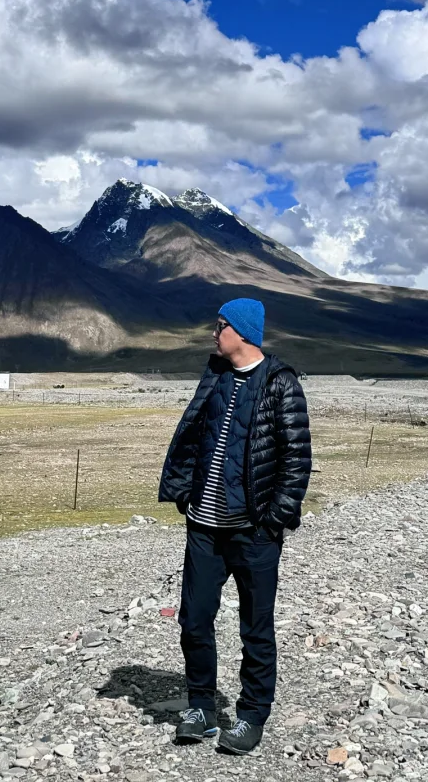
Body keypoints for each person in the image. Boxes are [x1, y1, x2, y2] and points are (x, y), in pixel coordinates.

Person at [158, 296, 312, 756]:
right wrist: (184, 492)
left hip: (254, 532)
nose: (213, 332)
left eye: (219, 325)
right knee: (194, 620)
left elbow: (297, 460)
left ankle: (250, 716)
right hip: (204, 528)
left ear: (241, 331)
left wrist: (273, 520)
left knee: (255, 627)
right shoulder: (216, 377)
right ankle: (201, 707)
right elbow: (189, 438)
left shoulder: (281, 384)